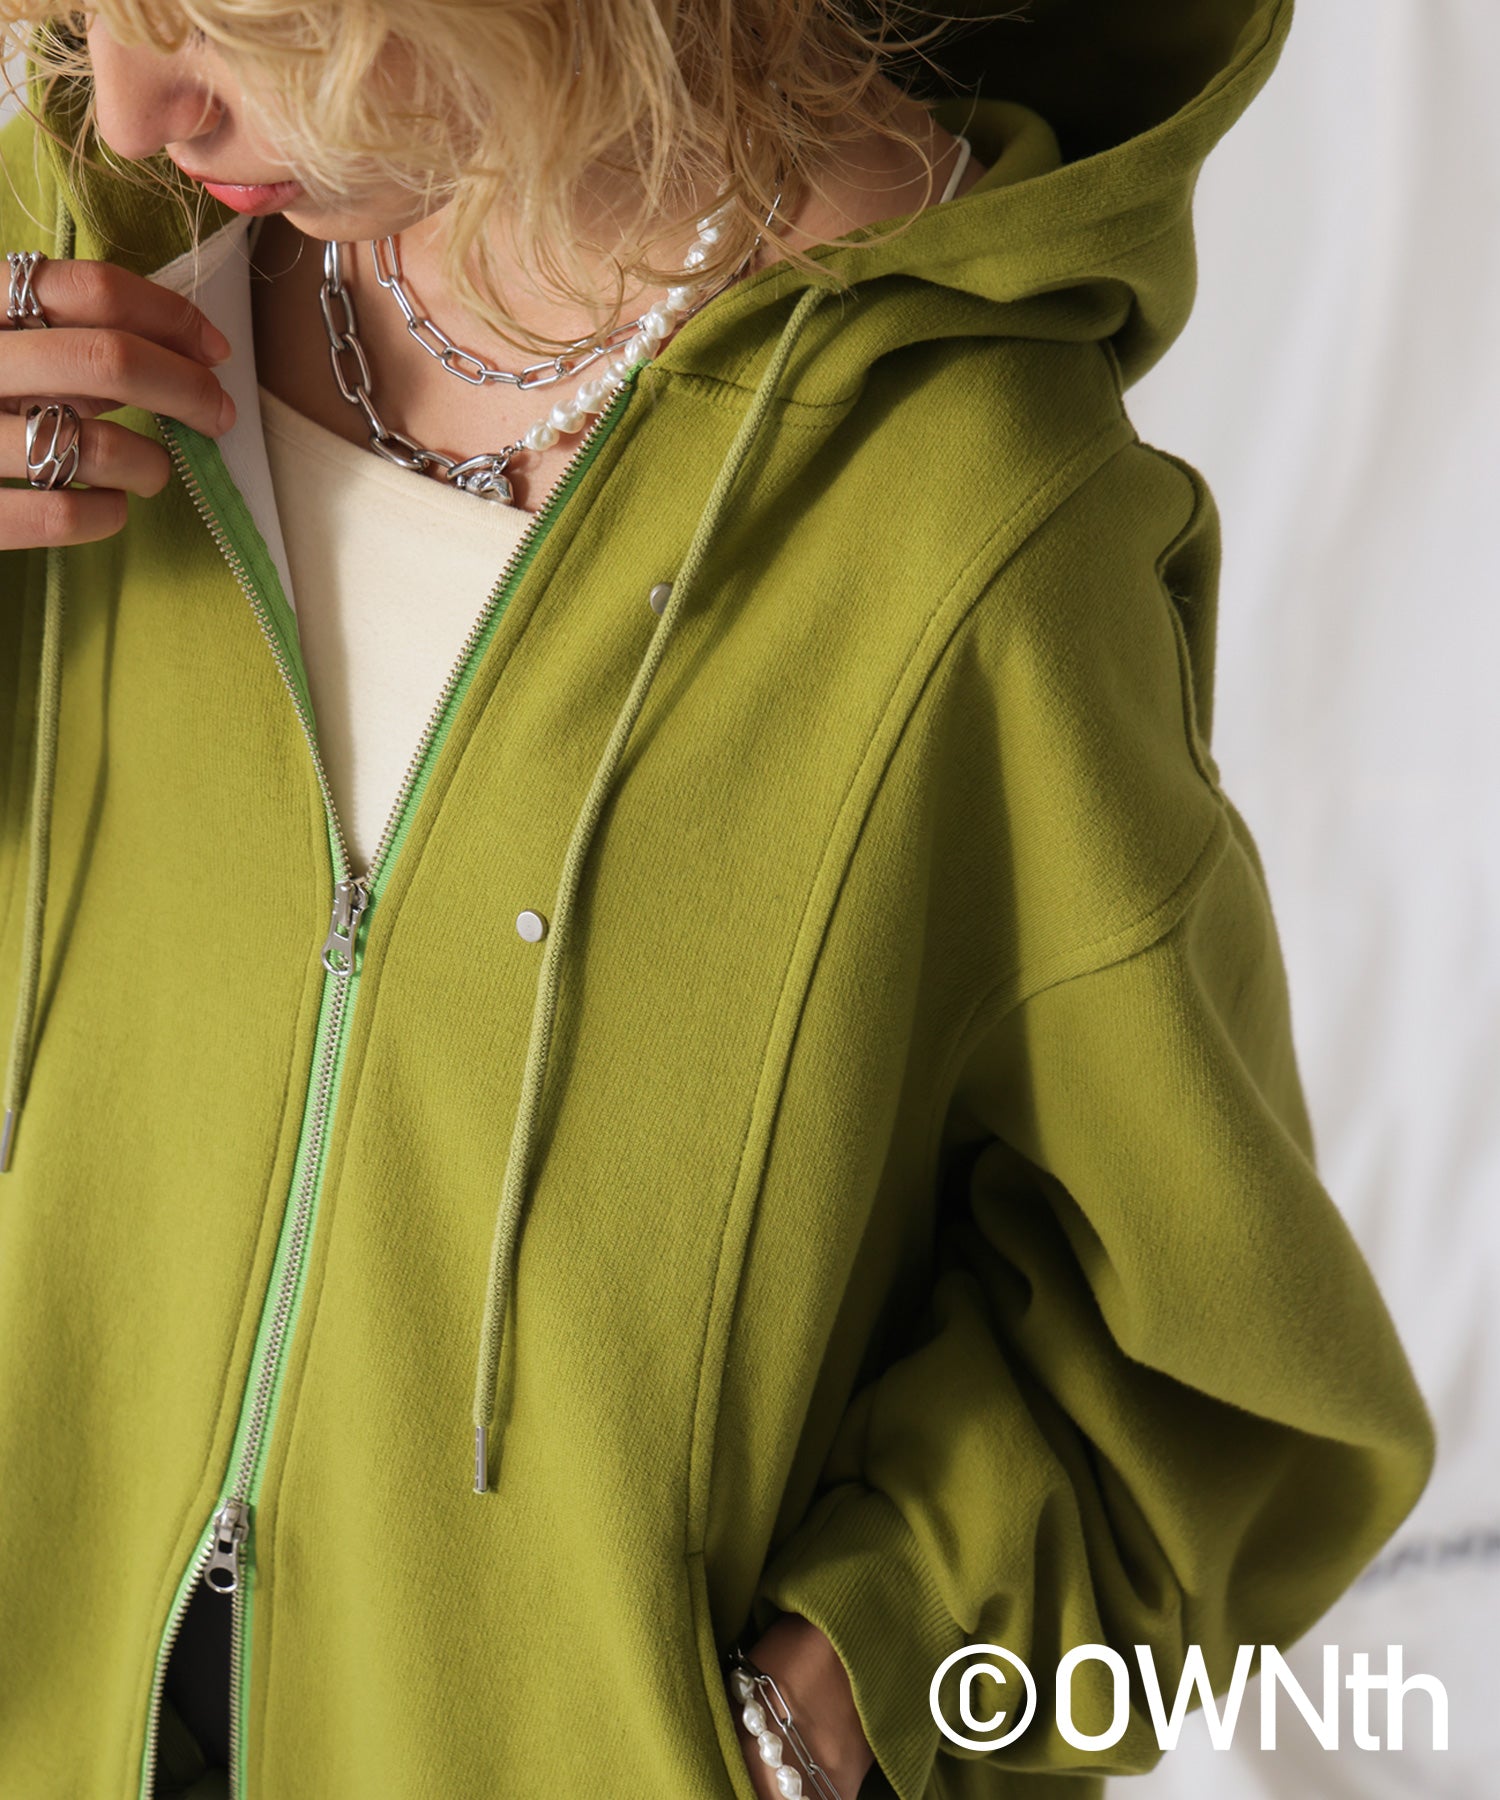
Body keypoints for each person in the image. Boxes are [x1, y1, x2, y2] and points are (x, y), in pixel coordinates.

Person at [0, 2, 1434, 1797]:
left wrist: (843, 1702)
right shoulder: (62, 294)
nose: (134, 108)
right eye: (82, 11)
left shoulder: (973, 515)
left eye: (249, 18)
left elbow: (1217, 1394)